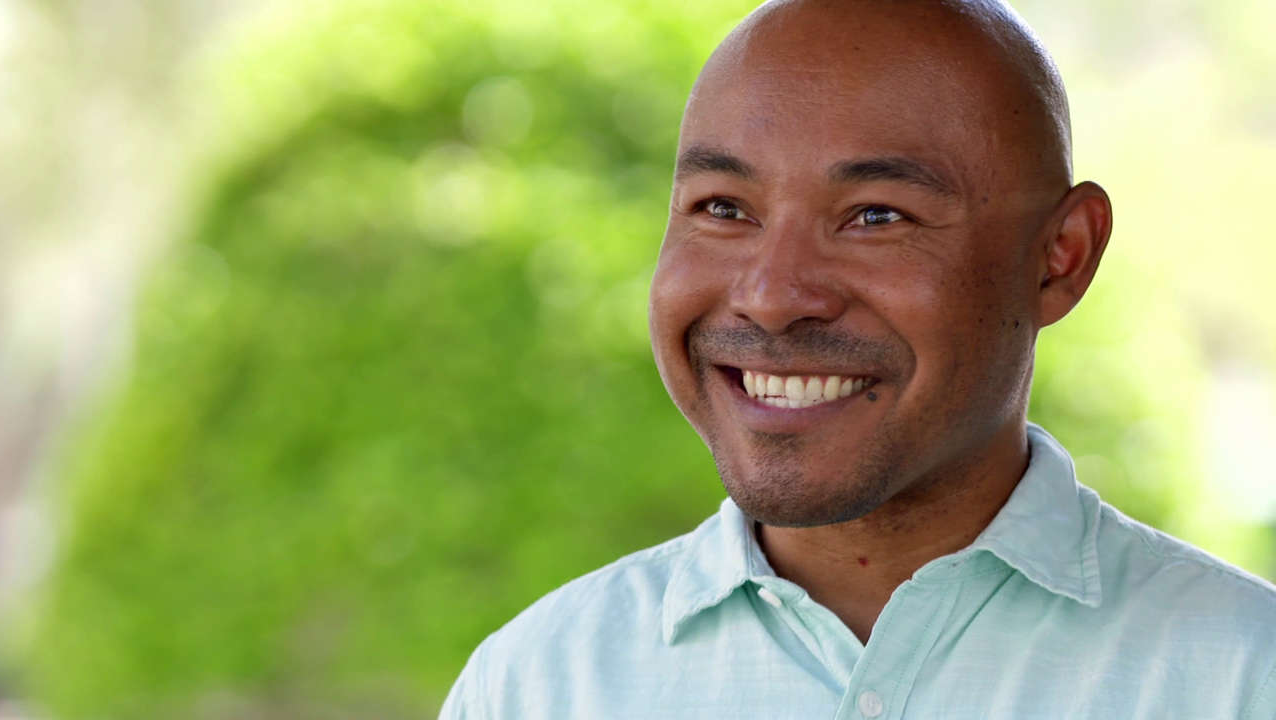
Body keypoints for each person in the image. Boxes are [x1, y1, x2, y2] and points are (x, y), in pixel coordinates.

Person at [441, 0, 1276, 717]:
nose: (772, 295)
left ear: (1060, 257)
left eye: (877, 216)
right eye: (723, 207)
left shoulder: (1242, 677)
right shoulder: (537, 686)